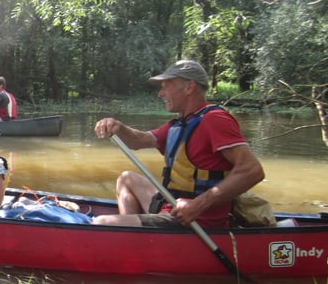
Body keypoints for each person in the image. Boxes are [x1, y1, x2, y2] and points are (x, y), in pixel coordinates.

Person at [92, 60, 265, 229]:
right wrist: (119, 127)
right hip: (173, 206)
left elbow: (252, 170)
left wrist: (198, 205)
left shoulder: (215, 120)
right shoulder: (181, 123)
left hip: (197, 220)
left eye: (166, 86)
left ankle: (131, 234)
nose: (161, 94)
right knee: (127, 178)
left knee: (100, 223)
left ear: (189, 87)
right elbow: (139, 140)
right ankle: (137, 236)